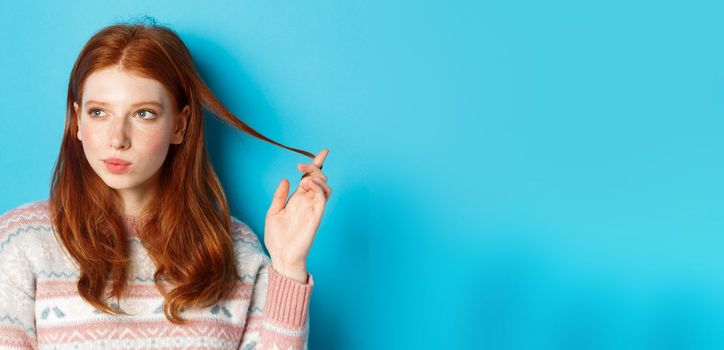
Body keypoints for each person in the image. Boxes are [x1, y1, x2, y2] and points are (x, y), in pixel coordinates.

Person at [0, 17, 332, 350]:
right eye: (99, 112)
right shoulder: (21, 242)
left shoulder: (235, 249)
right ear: (78, 122)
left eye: (143, 113)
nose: (117, 139)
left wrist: (288, 266)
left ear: (180, 125)